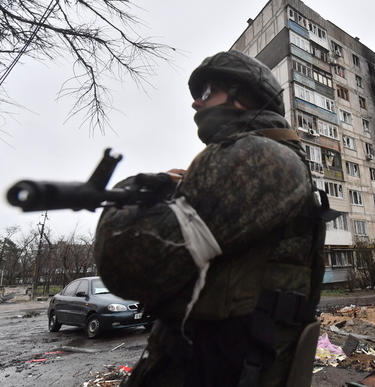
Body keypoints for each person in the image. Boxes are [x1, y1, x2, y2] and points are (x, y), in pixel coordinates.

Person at [93, 50, 336, 386]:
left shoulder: (257, 155)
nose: (196, 104)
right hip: (223, 362)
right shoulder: (266, 155)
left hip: (218, 367)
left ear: (242, 96)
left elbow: (129, 268)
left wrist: (133, 192)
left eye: (207, 92)